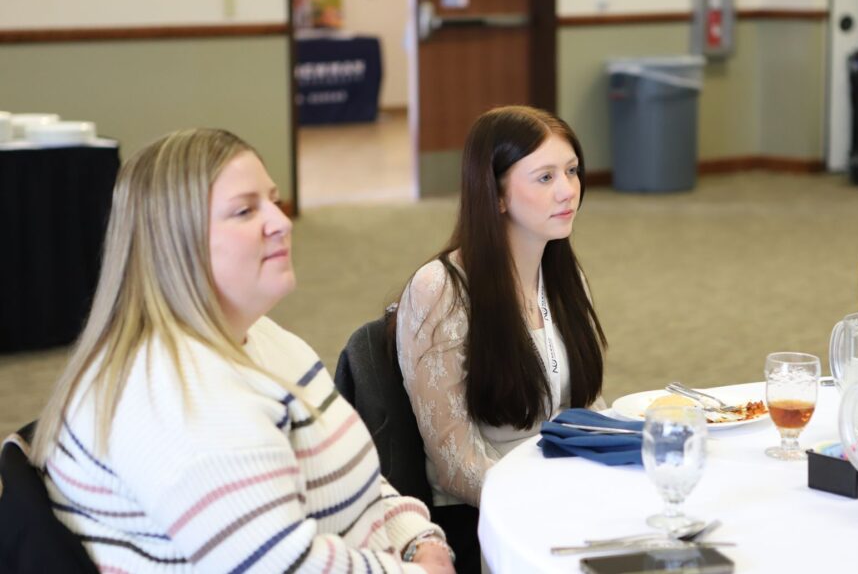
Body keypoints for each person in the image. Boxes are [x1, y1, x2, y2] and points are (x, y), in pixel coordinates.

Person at [30, 129, 455, 573]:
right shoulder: (174, 399)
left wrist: (416, 539)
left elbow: (350, 470)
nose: (281, 221)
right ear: (176, 243)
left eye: (273, 200)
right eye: (245, 210)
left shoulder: (256, 334)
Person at [394, 106, 607, 563]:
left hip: (560, 494)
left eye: (571, 171)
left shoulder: (564, 277)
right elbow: (455, 462)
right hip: (486, 517)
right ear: (497, 195)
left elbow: (586, 408)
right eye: (545, 178)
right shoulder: (441, 290)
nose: (569, 190)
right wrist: (543, 500)